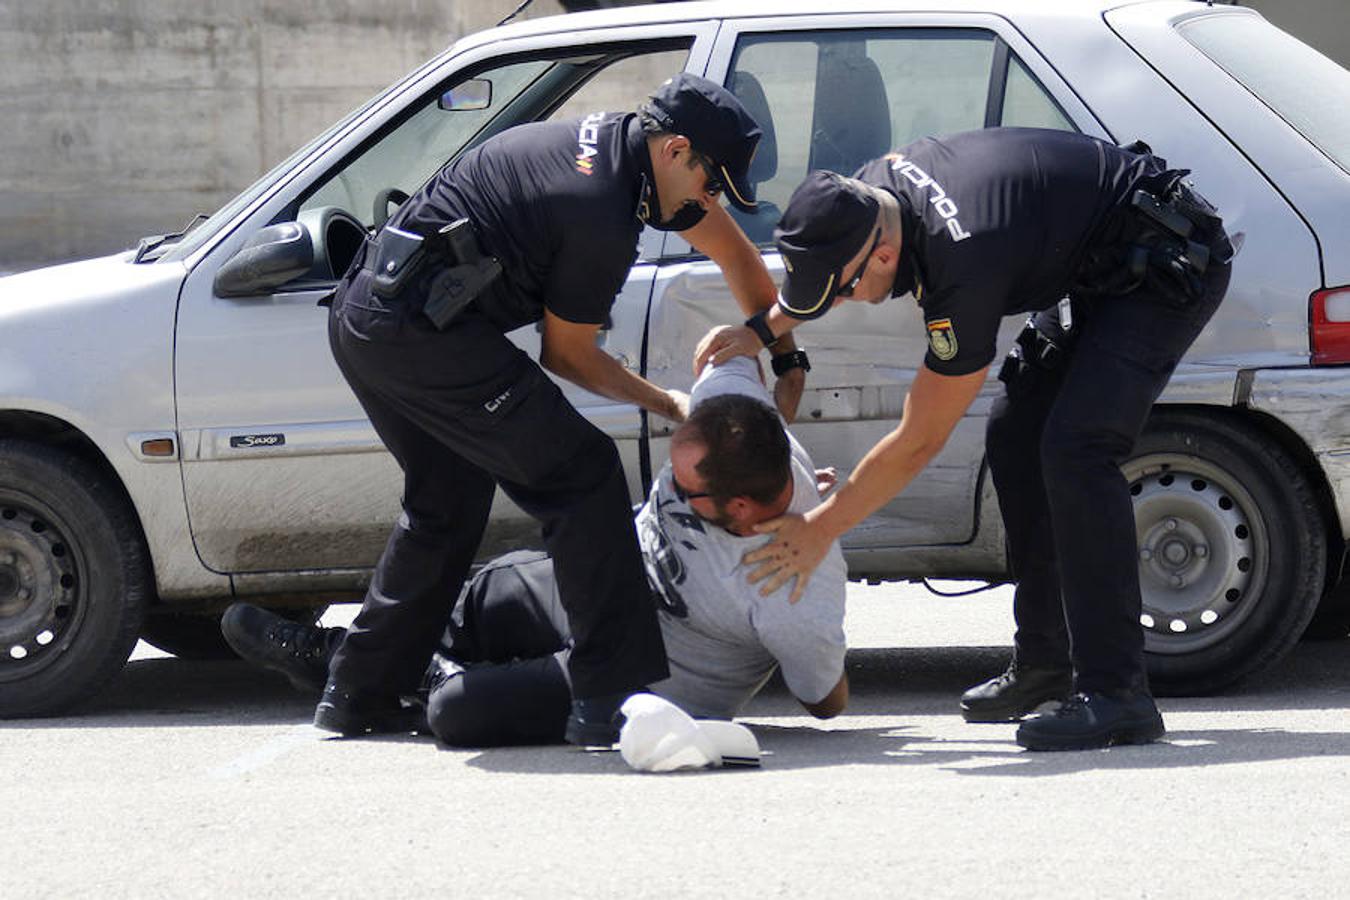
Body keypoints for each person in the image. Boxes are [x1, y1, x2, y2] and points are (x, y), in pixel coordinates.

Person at [696, 127, 1233, 751]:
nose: (842, 305)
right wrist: (763, 330)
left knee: (1077, 449)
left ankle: (1118, 695)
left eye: (842, 292)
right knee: (1014, 433)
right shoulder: (866, 195)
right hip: (1096, 257)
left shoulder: (962, 263)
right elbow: (827, 272)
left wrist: (820, 528)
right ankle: (1045, 665)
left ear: (884, 259)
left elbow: (919, 439)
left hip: (1163, 260)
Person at [317, 72, 813, 746]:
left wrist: (785, 354)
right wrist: (671, 402)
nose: (711, 198)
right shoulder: (598, 208)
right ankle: (607, 694)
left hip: (371, 317)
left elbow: (734, 254)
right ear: (676, 150)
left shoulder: (633, 159)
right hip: (415, 334)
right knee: (581, 474)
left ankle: (358, 692)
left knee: (448, 501)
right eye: (709, 180)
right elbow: (569, 355)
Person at [221, 355, 848, 746]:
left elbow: (826, 702)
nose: (669, 489)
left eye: (686, 490)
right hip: (602, 589)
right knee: (494, 585)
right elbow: (734, 343)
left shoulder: (796, 585)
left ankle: (384, 671)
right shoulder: (739, 418)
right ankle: (345, 656)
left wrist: (824, 530)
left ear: (738, 508)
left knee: (458, 713)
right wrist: (780, 347)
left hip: (649, 677)